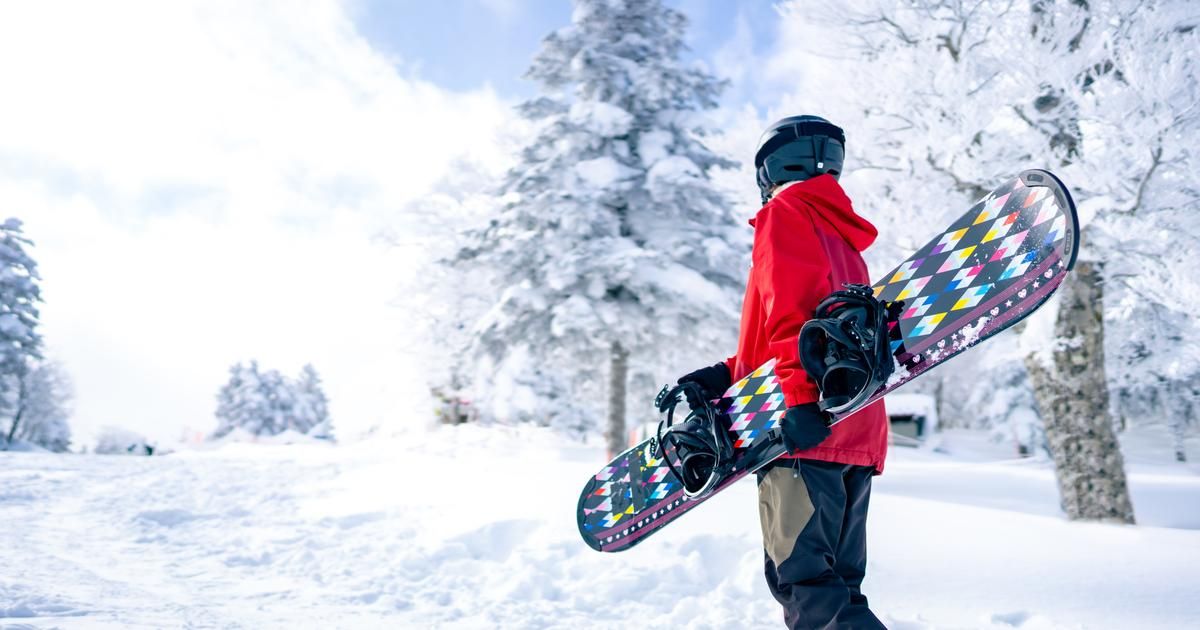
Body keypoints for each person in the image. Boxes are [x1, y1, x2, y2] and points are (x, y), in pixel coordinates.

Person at [675, 115, 888, 629]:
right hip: (856, 428)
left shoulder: (782, 214)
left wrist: (796, 402)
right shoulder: (844, 240)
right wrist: (726, 374)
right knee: (838, 588)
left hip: (802, 430)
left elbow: (793, 317)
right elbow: (817, 329)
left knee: (808, 589)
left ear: (768, 171)